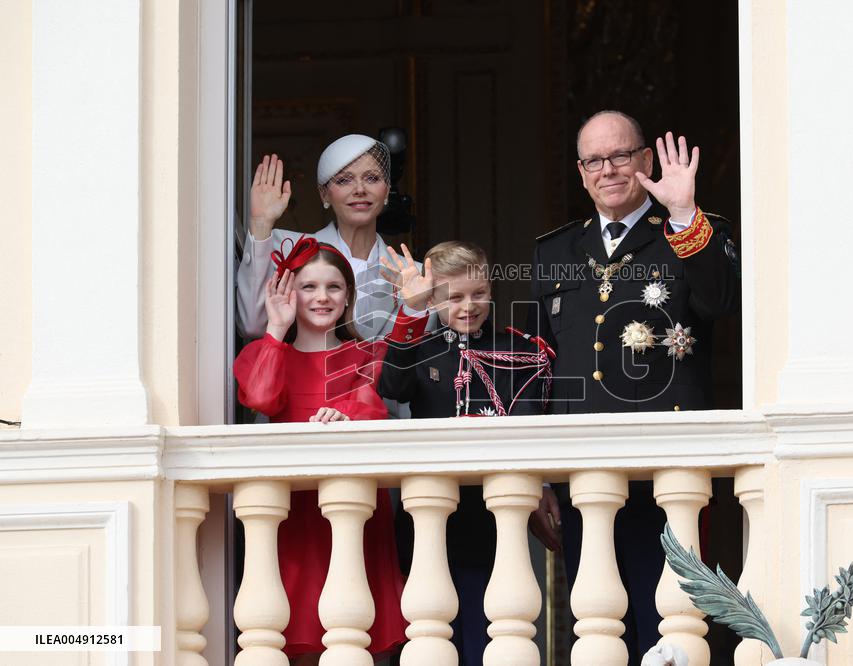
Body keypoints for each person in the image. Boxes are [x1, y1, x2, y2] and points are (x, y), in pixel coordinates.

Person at [529, 110, 740, 664]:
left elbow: (720, 303)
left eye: (621, 155)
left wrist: (682, 212)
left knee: (674, 624)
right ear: (581, 172)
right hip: (582, 474)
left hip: (669, 468)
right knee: (595, 625)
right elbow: (536, 367)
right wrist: (540, 476)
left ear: (645, 161)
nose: (609, 169)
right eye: (595, 160)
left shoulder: (689, 231)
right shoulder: (554, 253)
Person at [378, 241, 552, 666]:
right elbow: (392, 388)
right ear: (435, 298)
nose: (468, 306)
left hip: (494, 520)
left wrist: (543, 483)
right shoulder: (420, 347)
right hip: (429, 520)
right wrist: (411, 311)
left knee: (493, 639)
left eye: (479, 294)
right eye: (454, 297)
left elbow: (534, 425)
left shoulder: (522, 352)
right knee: (430, 641)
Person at [233, 236, 407, 663]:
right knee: (294, 632)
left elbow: (380, 403)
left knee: (359, 638)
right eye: (308, 286)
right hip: (294, 516)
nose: (321, 297)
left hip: (354, 513)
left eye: (333, 286)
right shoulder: (266, 353)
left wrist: (347, 412)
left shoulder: (368, 354)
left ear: (348, 296)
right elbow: (260, 397)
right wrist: (275, 328)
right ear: (289, 293)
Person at [236, 134, 401, 344]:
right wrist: (261, 224)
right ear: (324, 194)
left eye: (372, 178)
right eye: (344, 180)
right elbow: (251, 326)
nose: (360, 190)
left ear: (386, 190)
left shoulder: (412, 274)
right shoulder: (288, 247)